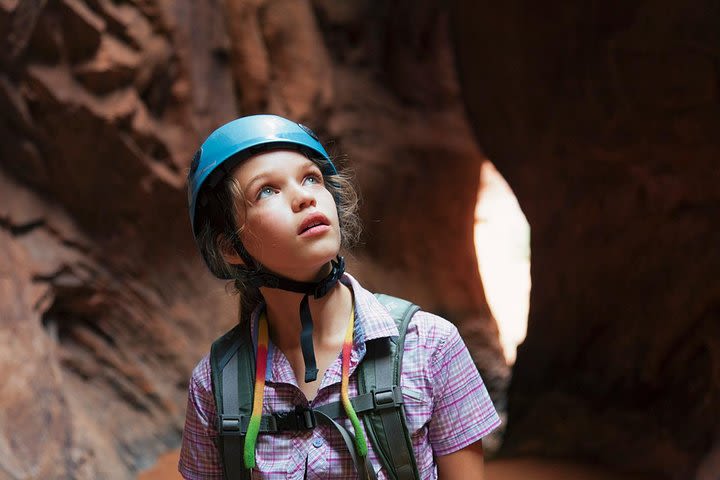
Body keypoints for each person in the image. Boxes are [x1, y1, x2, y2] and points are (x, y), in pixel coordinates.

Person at [179, 114, 501, 479]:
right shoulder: (215, 384)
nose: (304, 197)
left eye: (311, 178)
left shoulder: (429, 346)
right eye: (267, 190)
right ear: (231, 248)